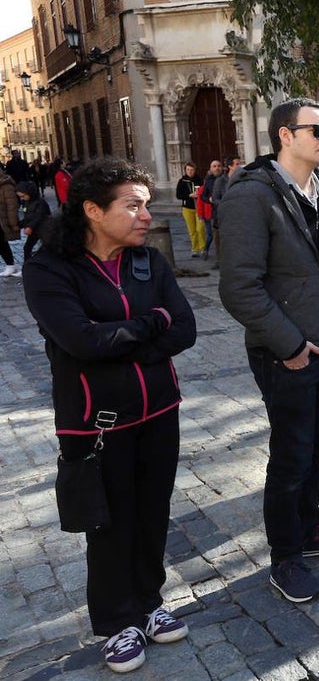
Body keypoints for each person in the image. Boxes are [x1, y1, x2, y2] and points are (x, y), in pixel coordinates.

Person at [22, 158, 197, 673]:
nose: (146, 215)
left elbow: (183, 328)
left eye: (145, 204)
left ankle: (148, 600)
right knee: (110, 523)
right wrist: (150, 325)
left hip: (159, 410)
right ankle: (117, 621)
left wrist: (122, 338)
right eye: (133, 205)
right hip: (96, 422)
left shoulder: (148, 260)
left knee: (153, 512)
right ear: (93, 210)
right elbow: (79, 339)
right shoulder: (49, 268)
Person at [218, 97, 319, 603]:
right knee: (290, 458)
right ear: (285, 135)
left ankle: (310, 528)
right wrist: (290, 346)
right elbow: (240, 287)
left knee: (316, 450)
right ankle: (286, 557)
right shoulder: (250, 196)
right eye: (318, 132)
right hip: (286, 354)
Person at [175, 162, 207, 257]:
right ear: (185, 170)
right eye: (188, 169)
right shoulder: (182, 181)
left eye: (191, 170)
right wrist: (189, 195)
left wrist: (199, 195)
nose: (190, 171)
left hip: (199, 208)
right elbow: (178, 195)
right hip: (187, 208)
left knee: (200, 229)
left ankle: (203, 248)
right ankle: (195, 248)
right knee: (192, 230)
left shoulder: (200, 180)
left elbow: (205, 192)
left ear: (195, 170)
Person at [17, 181, 51, 262]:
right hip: (35, 230)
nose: (22, 198)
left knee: (47, 249)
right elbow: (28, 217)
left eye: (23, 196)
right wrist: (19, 225)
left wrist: (30, 227)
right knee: (27, 248)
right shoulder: (26, 202)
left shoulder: (40, 202)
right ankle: (27, 265)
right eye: (20, 197)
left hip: (43, 229)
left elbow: (39, 217)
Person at [0, 164, 20, 276]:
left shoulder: (6, 185)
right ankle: (10, 265)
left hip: (3, 220)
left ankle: (10, 265)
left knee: (2, 242)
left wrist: (13, 223)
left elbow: (12, 205)